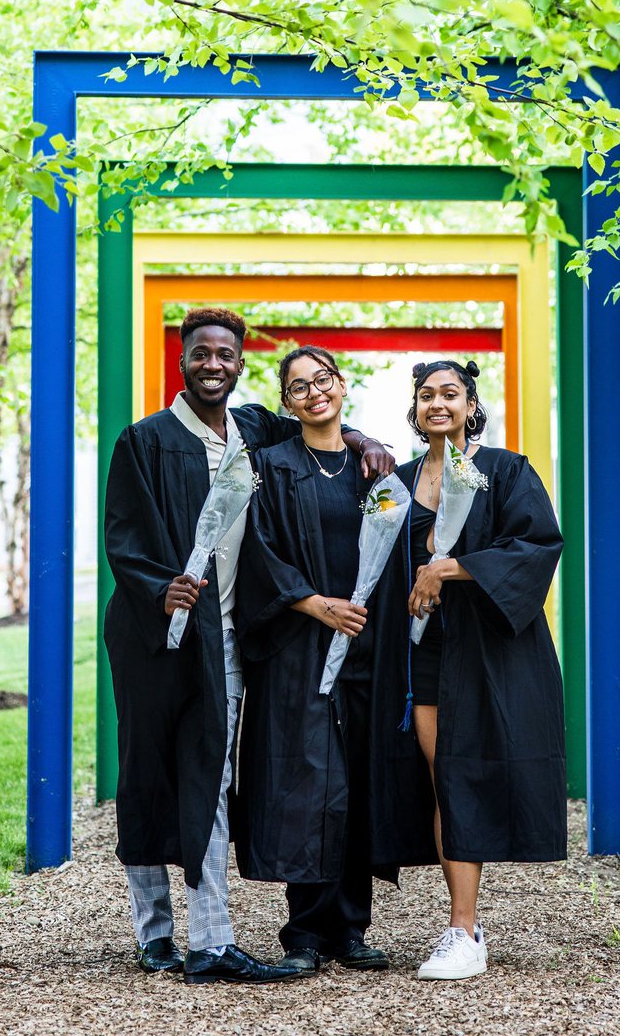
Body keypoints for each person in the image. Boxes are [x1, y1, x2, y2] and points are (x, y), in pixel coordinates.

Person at [103, 309, 393, 986]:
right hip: (155, 639)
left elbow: (315, 423)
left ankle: (212, 941)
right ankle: (155, 934)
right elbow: (123, 538)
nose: (213, 363)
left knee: (212, 777)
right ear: (181, 361)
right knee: (148, 778)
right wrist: (158, 589)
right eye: (200, 352)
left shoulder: (253, 430)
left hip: (226, 636)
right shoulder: (144, 441)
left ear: (239, 365)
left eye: (225, 354)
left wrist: (364, 438)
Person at [234, 347, 434, 978]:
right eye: (299, 387)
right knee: (306, 781)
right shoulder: (270, 466)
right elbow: (258, 552)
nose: (314, 392)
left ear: (342, 385)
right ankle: (304, 931)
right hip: (301, 645)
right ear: (287, 402)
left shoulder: (375, 470)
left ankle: (351, 928)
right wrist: (317, 605)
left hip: (368, 646)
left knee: (357, 779)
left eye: (323, 380)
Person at [382, 359, 565, 981]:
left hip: (488, 646)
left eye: (450, 394)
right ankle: (462, 927)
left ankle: (464, 929)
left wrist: (448, 569)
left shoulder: (505, 471)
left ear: (469, 403)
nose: (438, 404)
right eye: (427, 395)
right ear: (415, 407)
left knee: (464, 770)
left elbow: (537, 544)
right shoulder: (397, 482)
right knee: (445, 774)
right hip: (424, 649)